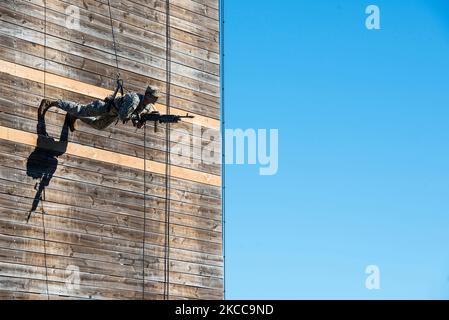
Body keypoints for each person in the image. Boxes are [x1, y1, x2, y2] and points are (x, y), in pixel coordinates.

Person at [38, 85, 160, 132]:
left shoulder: (148, 107)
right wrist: (138, 117)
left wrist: (140, 123)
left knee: (99, 126)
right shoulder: (135, 99)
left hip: (113, 114)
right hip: (106, 107)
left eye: (156, 99)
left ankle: (73, 116)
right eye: (154, 98)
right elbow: (124, 115)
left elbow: (134, 118)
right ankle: (52, 103)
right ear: (147, 95)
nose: (155, 100)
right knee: (82, 110)